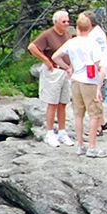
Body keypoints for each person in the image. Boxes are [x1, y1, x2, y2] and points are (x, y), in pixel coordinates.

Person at [53, 14, 104, 155]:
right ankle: (92, 147)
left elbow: (55, 56)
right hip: (90, 81)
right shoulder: (93, 43)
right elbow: (98, 64)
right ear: (90, 28)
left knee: (78, 114)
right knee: (94, 114)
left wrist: (67, 67)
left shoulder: (71, 42)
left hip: (75, 80)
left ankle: (80, 145)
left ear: (77, 28)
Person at [25, 11, 73, 148]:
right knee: (52, 103)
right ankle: (50, 133)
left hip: (65, 71)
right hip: (53, 71)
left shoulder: (68, 34)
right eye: (63, 21)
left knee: (63, 103)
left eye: (68, 21)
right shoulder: (48, 34)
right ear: (56, 22)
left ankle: (62, 132)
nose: (67, 24)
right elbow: (32, 47)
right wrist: (45, 60)